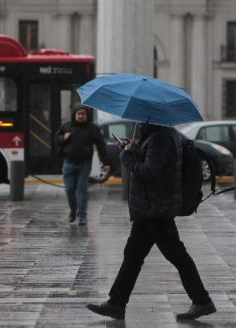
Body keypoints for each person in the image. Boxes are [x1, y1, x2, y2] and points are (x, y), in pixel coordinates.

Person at [86, 123, 216, 321]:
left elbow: (150, 172)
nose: (138, 120)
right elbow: (155, 163)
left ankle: (202, 301)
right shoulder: (162, 135)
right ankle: (116, 303)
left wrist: (127, 156)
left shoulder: (161, 138)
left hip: (155, 208)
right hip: (151, 207)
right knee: (133, 255)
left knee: (176, 255)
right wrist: (134, 149)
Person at [56, 104, 110, 226]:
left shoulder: (93, 128)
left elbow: (101, 146)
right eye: (78, 114)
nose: (81, 116)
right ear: (74, 115)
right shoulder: (67, 126)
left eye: (83, 114)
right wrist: (63, 138)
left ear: (87, 115)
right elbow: (57, 139)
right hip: (69, 163)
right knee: (69, 189)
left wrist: (106, 162)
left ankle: (82, 216)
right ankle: (73, 211)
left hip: (84, 164)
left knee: (82, 190)